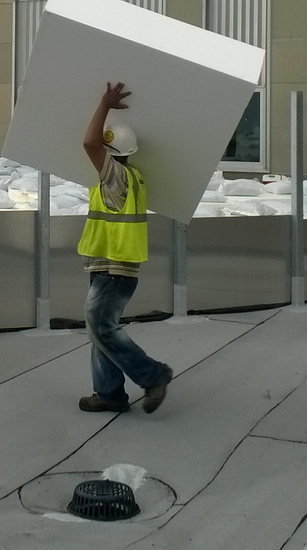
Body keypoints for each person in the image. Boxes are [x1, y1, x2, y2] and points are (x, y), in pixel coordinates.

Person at [77, 82, 173, 414]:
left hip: (113, 271)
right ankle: (109, 395)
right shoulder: (133, 176)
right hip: (112, 268)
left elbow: (89, 142)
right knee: (99, 332)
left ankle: (153, 375)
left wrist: (104, 104)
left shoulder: (115, 176)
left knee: (101, 327)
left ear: (112, 153)